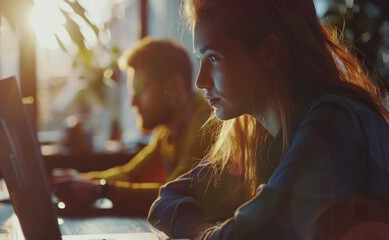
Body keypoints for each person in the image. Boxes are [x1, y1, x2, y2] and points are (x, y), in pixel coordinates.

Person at [147, 0, 389, 239]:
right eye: (201, 60)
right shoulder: (262, 138)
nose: (200, 81)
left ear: (270, 54)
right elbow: (168, 198)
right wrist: (204, 232)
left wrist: (206, 235)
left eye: (214, 58)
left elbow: (258, 233)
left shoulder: (336, 125)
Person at [52, 37, 212, 215]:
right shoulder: (167, 129)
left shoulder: (204, 126)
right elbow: (132, 175)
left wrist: (101, 190)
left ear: (173, 87)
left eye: (140, 89)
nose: (132, 102)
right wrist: (76, 180)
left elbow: (175, 195)